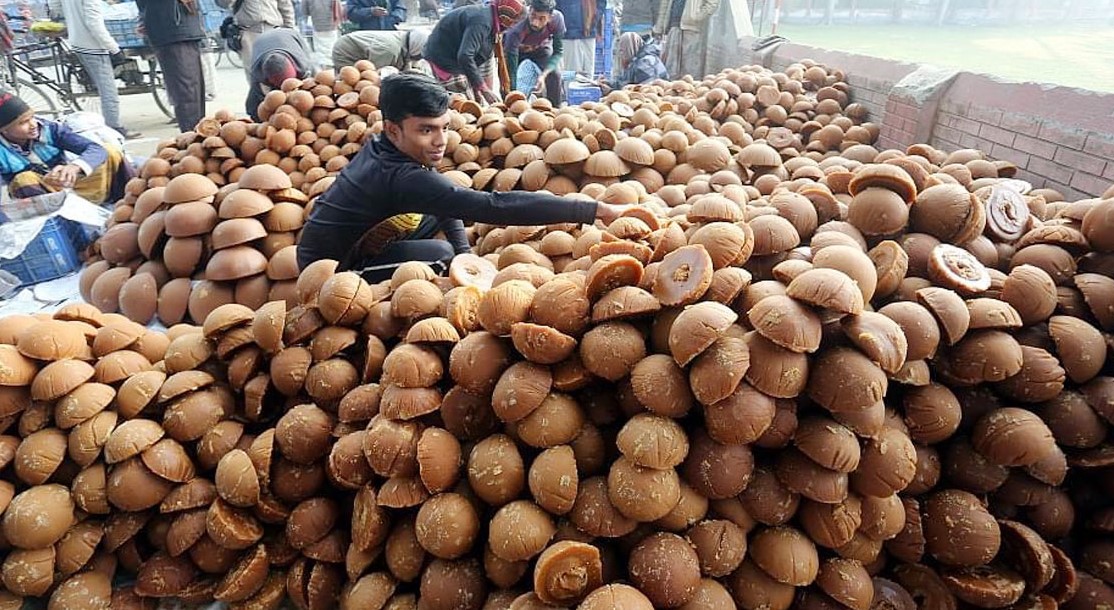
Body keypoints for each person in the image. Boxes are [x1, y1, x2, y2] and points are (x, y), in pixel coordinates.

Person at [297, 73, 631, 282]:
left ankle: (451, 255)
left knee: (439, 216)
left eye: (444, 127)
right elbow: (492, 207)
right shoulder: (400, 176)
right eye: (426, 130)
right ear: (393, 129)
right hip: (333, 268)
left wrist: (465, 252)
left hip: (362, 233)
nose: (440, 140)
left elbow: (446, 201)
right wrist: (588, 210)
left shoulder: (390, 147)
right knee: (439, 255)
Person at [0, 92, 135, 204]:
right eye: (23, 122)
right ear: (4, 130)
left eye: (32, 117)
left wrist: (74, 167)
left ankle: (129, 201)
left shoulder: (50, 129)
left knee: (110, 151)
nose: (33, 124)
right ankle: (61, 227)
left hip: (71, 184)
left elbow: (96, 149)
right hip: (45, 197)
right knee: (24, 179)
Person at [49, 0, 141, 139]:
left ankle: (112, 125)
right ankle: (114, 127)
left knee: (104, 87)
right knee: (108, 90)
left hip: (77, 41)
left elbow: (55, 6)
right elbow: (94, 24)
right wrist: (114, 49)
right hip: (92, 45)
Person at [422, 0, 525, 103]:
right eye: (515, 22)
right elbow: (465, 56)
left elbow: (479, 54)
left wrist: (479, 87)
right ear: (507, 15)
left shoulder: (493, 18)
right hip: (445, 58)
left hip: (461, 56)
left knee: (478, 100)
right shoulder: (482, 21)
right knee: (463, 106)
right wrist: (483, 88)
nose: (513, 26)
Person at [136, 0, 206, 132]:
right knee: (187, 92)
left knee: (194, 91)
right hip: (172, 29)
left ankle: (197, 138)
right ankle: (191, 140)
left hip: (184, 27)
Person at [245, 28, 316, 120]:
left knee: (309, 91)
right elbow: (256, 104)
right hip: (260, 43)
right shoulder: (257, 72)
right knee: (259, 101)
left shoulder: (303, 65)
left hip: (290, 36)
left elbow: (315, 83)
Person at [503, 0, 564, 98]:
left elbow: (558, 52)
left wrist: (543, 76)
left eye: (542, 18)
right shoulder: (517, 28)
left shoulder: (557, 20)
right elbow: (511, 71)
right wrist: (513, 96)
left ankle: (555, 108)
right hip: (515, 50)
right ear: (529, 10)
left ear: (550, 17)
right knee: (507, 81)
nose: (535, 23)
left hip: (540, 47)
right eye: (533, 16)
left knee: (554, 75)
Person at [218, 0, 296, 76]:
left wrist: (289, 30)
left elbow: (285, 6)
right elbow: (223, 4)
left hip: (274, 30)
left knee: (279, 69)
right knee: (254, 72)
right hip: (249, 32)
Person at [654, 0, 717, 79]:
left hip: (691, 27)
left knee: (690, 68)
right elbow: (664, 5)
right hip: (673, 26)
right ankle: (672, 88)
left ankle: (691, 89)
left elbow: (712, 3)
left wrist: (695, 17)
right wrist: (659, 27)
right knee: (670, 67)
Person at [331, 28, 428, 72]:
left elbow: (407, 64)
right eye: (420, 56)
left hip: (363, 48)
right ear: (416, 48)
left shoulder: (407, 42)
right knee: (357, 82)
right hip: (346, 51)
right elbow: (377, 76)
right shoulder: (389, 51)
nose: (420, 59)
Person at [599, 31, 664, 92]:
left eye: (623, 50)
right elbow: (625, 81)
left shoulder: (645, 63)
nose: (621, 54)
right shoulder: (635, 60)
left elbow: (644, 90)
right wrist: (609, 83)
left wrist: (611, 91)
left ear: (630, 48)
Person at [555, 0, 603, 75]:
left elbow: (601, 3)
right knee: (572, 76)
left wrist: (594, 18)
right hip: (569, 34)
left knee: (588, 75)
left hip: (589, 31)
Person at [305, 0, 343, 67]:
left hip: (317, 23)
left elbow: (305, 10)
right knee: (332, 44)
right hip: (332, 23)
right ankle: (332, 64)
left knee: (320, 47)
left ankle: (324, 66)